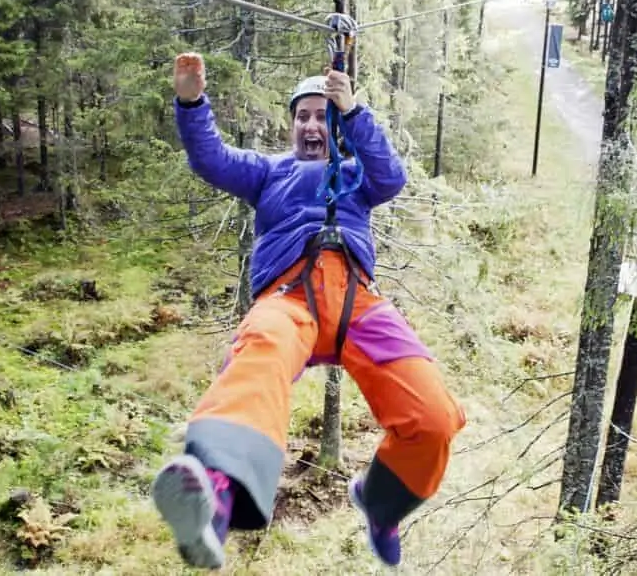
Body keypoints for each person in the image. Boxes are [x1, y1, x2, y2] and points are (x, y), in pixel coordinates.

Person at [150, 52, 466, 570]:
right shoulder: (268, 172)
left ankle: (382, 502)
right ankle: (215, 500)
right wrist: (191, 102)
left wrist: (356, 113)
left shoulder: (355, 175)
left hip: (358, 303)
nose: (312, 125)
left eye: (322, 115)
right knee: (259, 355)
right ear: (291, 124)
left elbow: (391, 178)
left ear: (335, 124)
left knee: (433, 415)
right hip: (289, 297)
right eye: (303, 116)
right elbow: (211, 158)